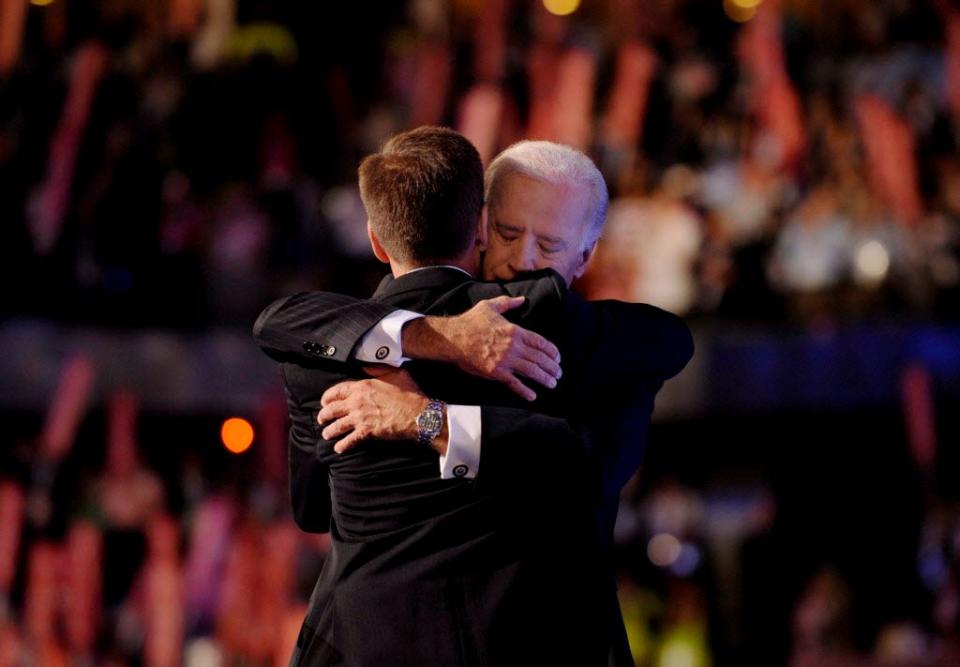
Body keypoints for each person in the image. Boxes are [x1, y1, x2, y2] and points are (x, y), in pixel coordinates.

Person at [254, 127, 692, 665]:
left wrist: (427, 419)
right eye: (509, 233)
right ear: (481, 225)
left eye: (548, 245)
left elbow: (312, 505)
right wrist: (441, 336)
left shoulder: (322, 354)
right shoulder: (541, 323)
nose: (524, 262)